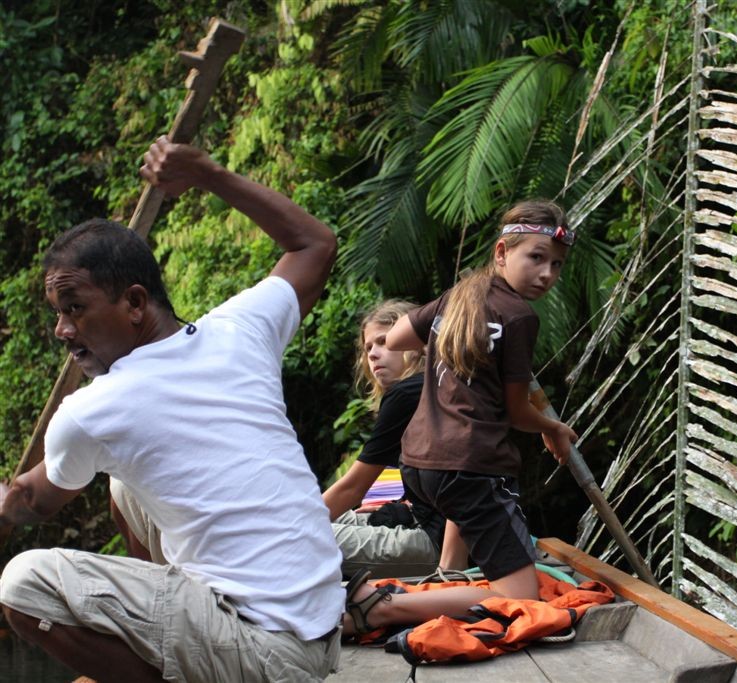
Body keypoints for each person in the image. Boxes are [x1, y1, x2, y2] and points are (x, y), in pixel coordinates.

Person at [0, 136, 345, 683]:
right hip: (322, 634)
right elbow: (315, 244)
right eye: (58, 313)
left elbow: (30, 501)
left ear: (135, 303)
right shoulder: (239, 328)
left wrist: (5, 504)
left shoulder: (94, 409)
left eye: (75, 309)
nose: (63, 331)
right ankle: (177, 649)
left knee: (22, 583)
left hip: (265, 652)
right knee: (122, 486)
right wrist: (208, 174)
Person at [339, 200, 579, 635]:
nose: (547, 274)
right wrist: (554, 428)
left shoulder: (456, 299)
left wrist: (454, 340)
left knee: (471, 559)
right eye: (537, 258)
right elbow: (517, 412)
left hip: (420, 465)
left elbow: (394, 338)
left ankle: (416, 590)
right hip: (470, 466)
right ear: (502, 253)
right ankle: (382, 605)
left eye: (557, 265)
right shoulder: (519, 316)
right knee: (523, 598)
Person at [323, 300, 445, 578]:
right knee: (300, 521)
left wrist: (291, 527)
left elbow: (352, 488)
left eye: (383, 341)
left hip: (434, 541)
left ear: (414, 342)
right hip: (427, 525)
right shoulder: (436, 382)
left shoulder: (407, 394)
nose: (373, 354)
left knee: (295, 540)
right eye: (368, 348)